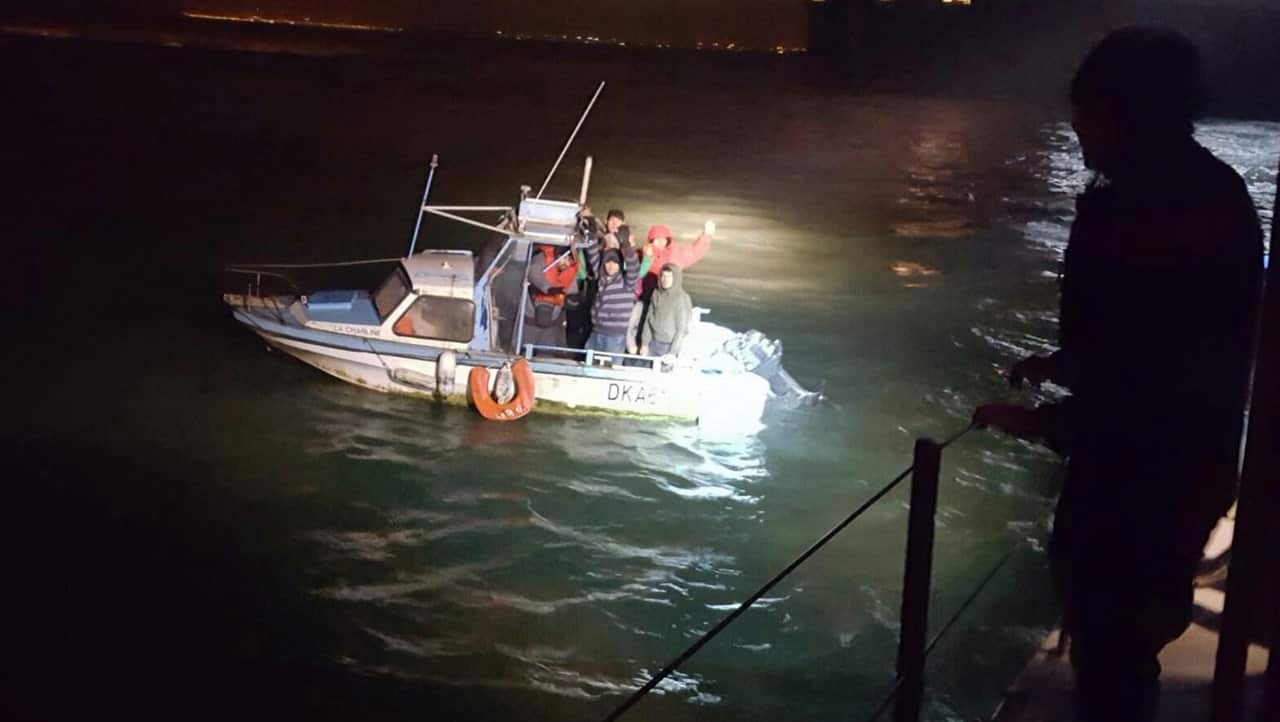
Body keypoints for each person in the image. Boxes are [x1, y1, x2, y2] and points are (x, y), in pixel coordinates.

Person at [972, 27, 1263, 722]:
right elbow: (1183, 335)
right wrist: (1065, 364)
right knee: (1133, 647)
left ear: (1120, 112)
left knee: (1112, 654)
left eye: (1087, 113)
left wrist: (1042, 421)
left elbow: (1146, 375)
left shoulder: (1125, 211)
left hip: (1133, 482)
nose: (1078, 129)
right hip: (1199, 464)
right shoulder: (1220, 192)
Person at [584, 244, 639, 355]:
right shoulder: (601, 279)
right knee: (588, 366)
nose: (611, 266)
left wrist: (626, 246)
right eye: (608, 262)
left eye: (615, 262)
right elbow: (593, 256)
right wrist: (591, 237)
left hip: (614, 337)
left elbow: (634, 267)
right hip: (596, 333)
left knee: (610, 369)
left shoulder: (627, 283)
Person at [523, 243, 580, 350]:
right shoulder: (541, 259)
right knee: (525, 350)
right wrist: (548, 288)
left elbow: (572, 290)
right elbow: (533, 273)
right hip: (530, 317)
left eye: (569, 259)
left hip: (552, 321)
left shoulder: (570, 270)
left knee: (546, 352)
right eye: (563, 258)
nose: (566, 262)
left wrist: (573, 300)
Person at [640, 264, 692, 359]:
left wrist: (672, 353)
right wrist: (644, 343)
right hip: (654, 343)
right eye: (663, 276)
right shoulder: (656, 294)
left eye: (669, 276)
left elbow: (682, 329)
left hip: (669, 346)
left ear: (675, 278)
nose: (665, 279)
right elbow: (648, 319)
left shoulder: (681, 298)